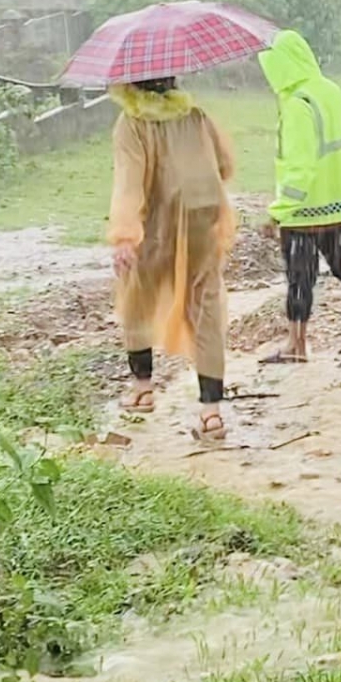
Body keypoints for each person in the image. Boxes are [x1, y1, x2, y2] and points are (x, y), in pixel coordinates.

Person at [108, 75, 237, 440]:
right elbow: (225, 164)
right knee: (205, 305)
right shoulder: (195, 115)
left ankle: (142, 389)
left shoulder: (132, 124)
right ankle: (211, 413)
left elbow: (129, 181)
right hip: (203, 218)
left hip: (156, 224)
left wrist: (123, 236)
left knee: (136, 297)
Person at [259, 30, 341, 363]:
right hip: (337, 204)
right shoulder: (329, 91)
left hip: (304, 212)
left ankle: (297, 346)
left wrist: (278, 211)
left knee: (300, 278)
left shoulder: (297, 104)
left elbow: (301, 165)